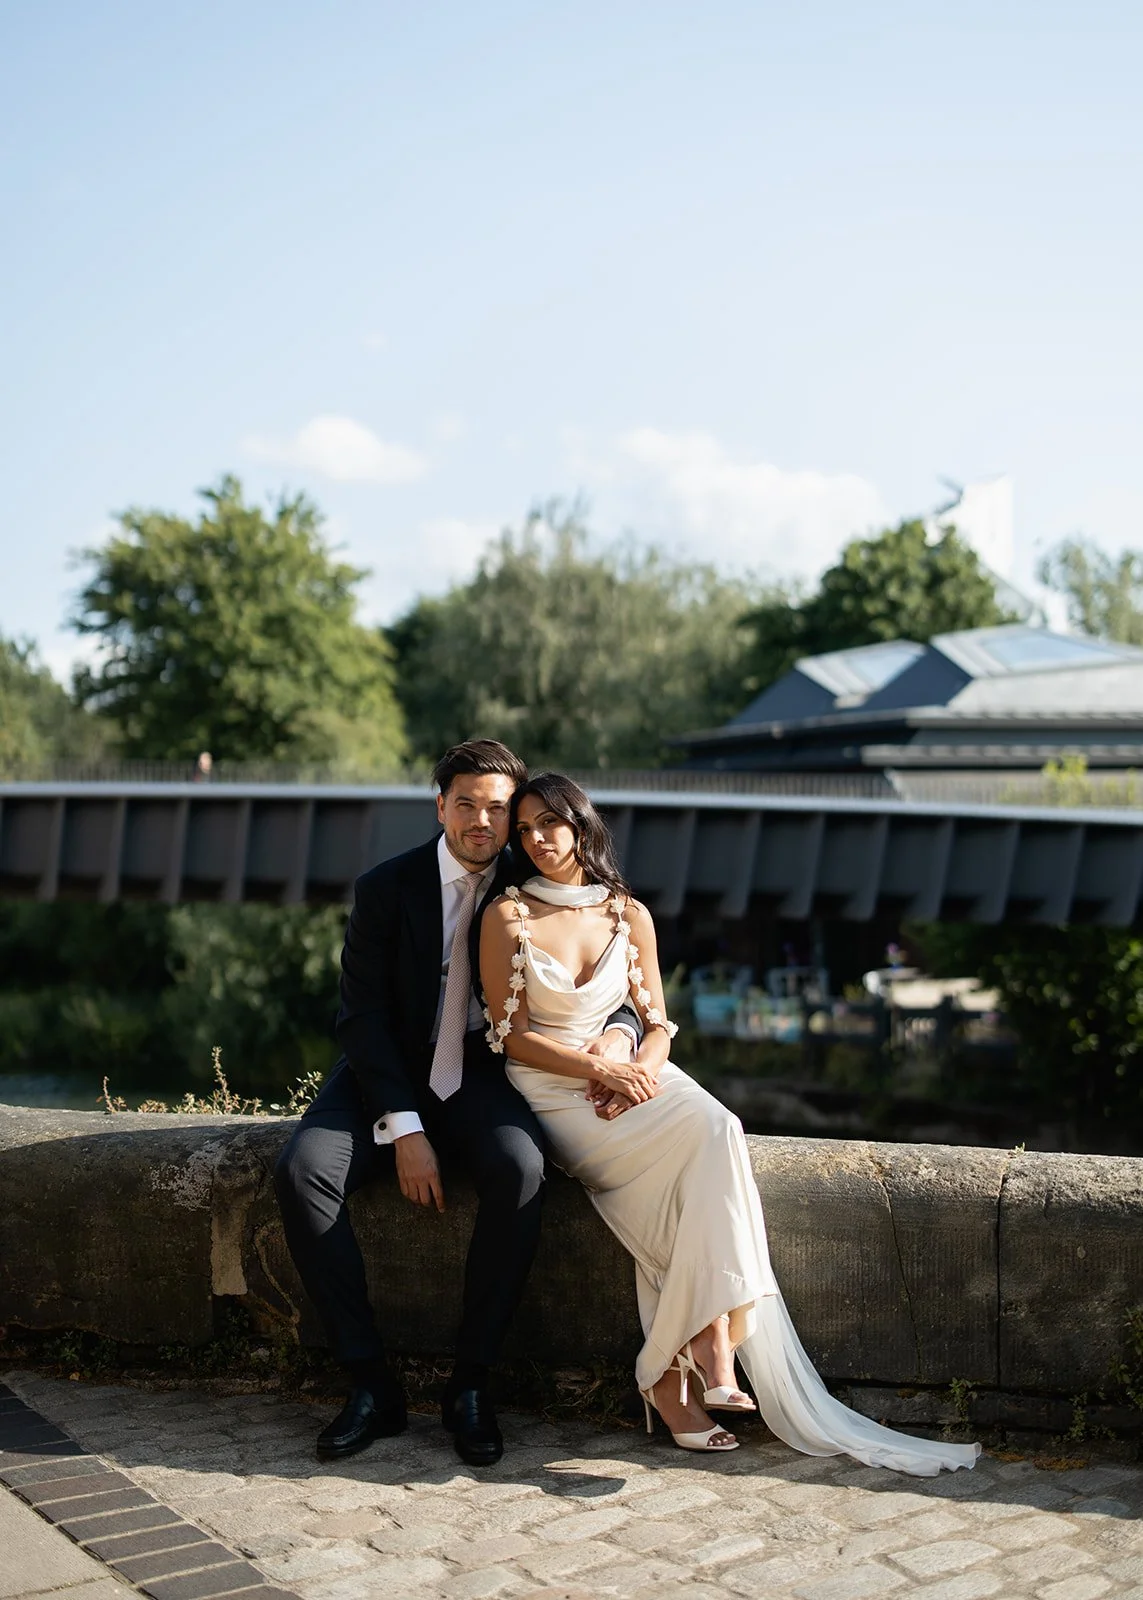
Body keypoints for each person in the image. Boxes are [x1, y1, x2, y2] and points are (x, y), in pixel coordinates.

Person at [479, 771, 981, 1475]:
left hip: (633, 1074)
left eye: (549, 824)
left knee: (719, 1127)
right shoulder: (507, 916)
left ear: (581, 826)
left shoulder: (629, 914)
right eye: (524, 828)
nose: (535, 839)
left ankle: (691, 1360)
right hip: (557, 1091)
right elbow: (513, 1038)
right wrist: (599, 1072)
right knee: (677, 1191)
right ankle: (700, 1350)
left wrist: (636, 1065)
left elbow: (657, 1024)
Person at [274, 740, 640, 1466]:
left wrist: (622, 1038)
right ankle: (371, 1385)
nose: (482, 820)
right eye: (465, 803)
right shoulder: (386, 886)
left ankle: (471, 1385)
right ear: (439, 805)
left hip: (484, 1073)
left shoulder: (531, 880)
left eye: (497, 808)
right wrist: (403, 1128)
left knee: (520, 1170)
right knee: (301, 1172)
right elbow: (360, 1018)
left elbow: (619, 973)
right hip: (383, 1074)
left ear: (515, 816)